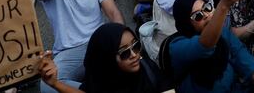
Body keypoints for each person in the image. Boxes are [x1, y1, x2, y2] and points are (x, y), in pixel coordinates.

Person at [37, 0, 125, 92]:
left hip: (99, 43)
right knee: (47, 85)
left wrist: (121, 43)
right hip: (69, 51)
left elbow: (113, 13)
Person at [39, 23, 170, 93]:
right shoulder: (101, 84)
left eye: (136, 46)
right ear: (108, 60)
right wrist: (54, 83)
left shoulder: (148, 70)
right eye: (124, 53)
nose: (134, 55)